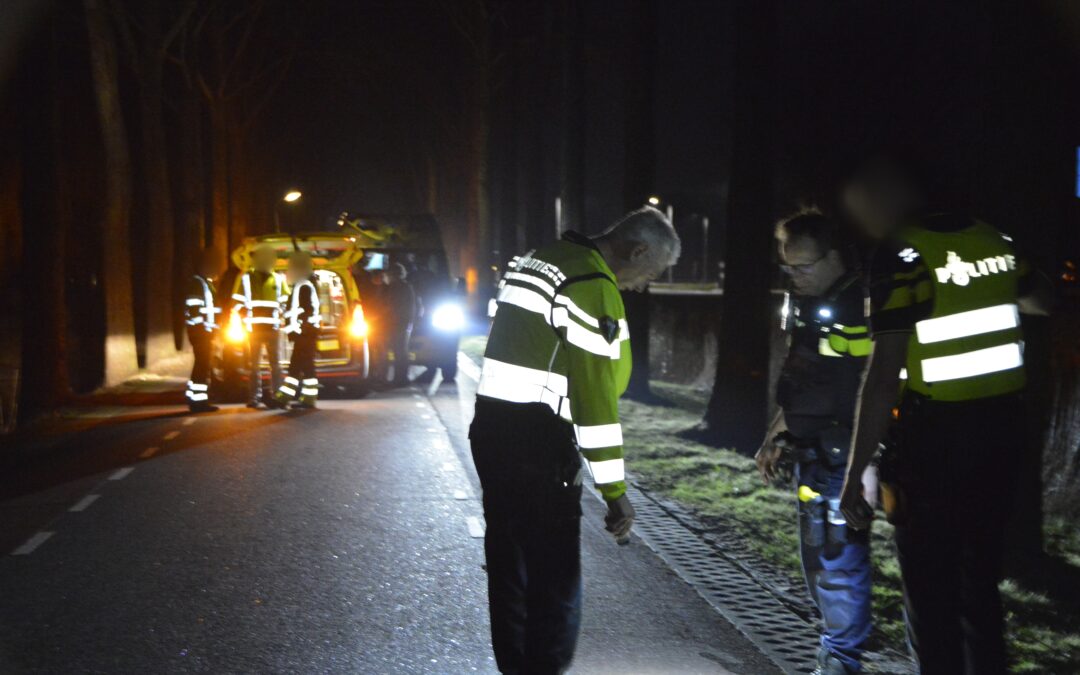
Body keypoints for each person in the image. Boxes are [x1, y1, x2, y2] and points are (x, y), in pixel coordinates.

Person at [839, 157, 1051, 675]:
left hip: (937, 441)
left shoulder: (900, 254)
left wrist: (854, 473)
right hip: (1003, 434)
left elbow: (883, 371)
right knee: (980, 582)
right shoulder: (994, 239)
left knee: (931, 589)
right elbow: (1045, 298)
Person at [470, 206, 680, 673]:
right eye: (653, 271)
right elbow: (595, 402)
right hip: (538, 441)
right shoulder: (591, 284)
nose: (645, 284)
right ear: (638, 249)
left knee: (510, 569)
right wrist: (615, 493)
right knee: (555, 583)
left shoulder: (543, 258)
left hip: (492, 427)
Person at [755, 212, 873, 675]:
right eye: (788, 268)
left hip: (843, 455)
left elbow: (871, 385)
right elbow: (801, 376)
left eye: (803, 267)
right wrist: (775, 434)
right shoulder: (809, 302)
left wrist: (867, 463)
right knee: (819, 557)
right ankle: (834, 651)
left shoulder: (858, 306)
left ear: (836, 257)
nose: (795, 276)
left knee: (838, 562)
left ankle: (841, 661)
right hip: (813, 452)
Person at [233, 245, 288, 408]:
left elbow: (285, 301)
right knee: (255, 366)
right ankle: (254, 398)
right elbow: (237, 302)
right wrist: (245, 316)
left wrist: (280, 314)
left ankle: (277, 396)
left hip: (272, 329)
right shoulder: (246, 279)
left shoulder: (278, 279)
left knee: (275, 365)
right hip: (254, 329)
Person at [274, 251, 321, 409]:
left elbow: (304, 311)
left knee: (296, 365)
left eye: (291, 268)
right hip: (306, 333)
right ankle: (307, 397)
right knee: (306, 366)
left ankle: (285, 396)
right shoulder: (305, 285)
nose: (289, 271)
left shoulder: (303, 286)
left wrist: (299, 328)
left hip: (304, 334)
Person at [184, 248, 222, 413]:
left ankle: (195, 399)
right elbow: (194, 307)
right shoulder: (198, 283)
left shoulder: (205, 283)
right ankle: (199, 402)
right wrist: (202, 328)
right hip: (200, 333)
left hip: (203, 332)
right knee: (202, 365)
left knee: (201, 365)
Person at [381, 262, 416, 387]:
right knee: (400, 351)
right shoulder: (406, 287)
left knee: (398, 352)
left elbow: (391, 306)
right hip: (402, 323)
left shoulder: (396, 287)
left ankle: (400, 379)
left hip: (397, 324)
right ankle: (400, 378)